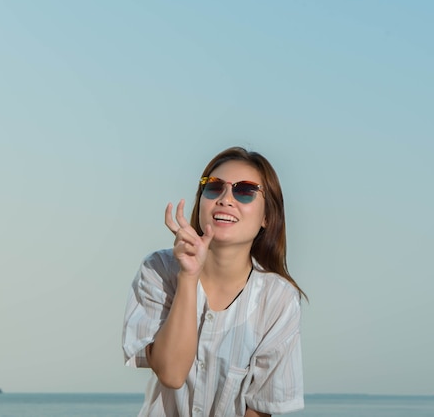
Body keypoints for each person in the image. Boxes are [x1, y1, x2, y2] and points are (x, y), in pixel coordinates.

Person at [122, 146, 306, 417]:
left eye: (245, 190)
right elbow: (171, 374)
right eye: (214, 186)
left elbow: (260, 409)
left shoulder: (279, 300)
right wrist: (188, 275)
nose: (225, 198)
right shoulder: (158, 269)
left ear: (267, 216)